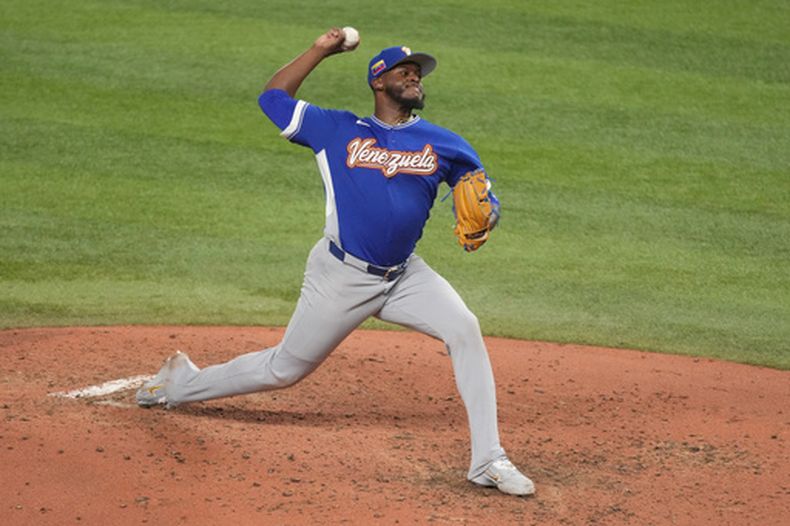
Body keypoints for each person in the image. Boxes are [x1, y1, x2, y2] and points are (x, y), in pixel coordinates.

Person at [137, 28, 534, 497]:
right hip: (340, 275)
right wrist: (321, 50)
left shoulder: (444, 143)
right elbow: (272, 98)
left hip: (405, 275)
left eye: (418, 73)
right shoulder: (337, 129)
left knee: (464, 328)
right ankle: (181, 384)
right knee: (283, 370)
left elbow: (479, 190)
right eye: (404, 71)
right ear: (378, 81)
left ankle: (487, 459)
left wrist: (490, 211)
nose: (415, 78)